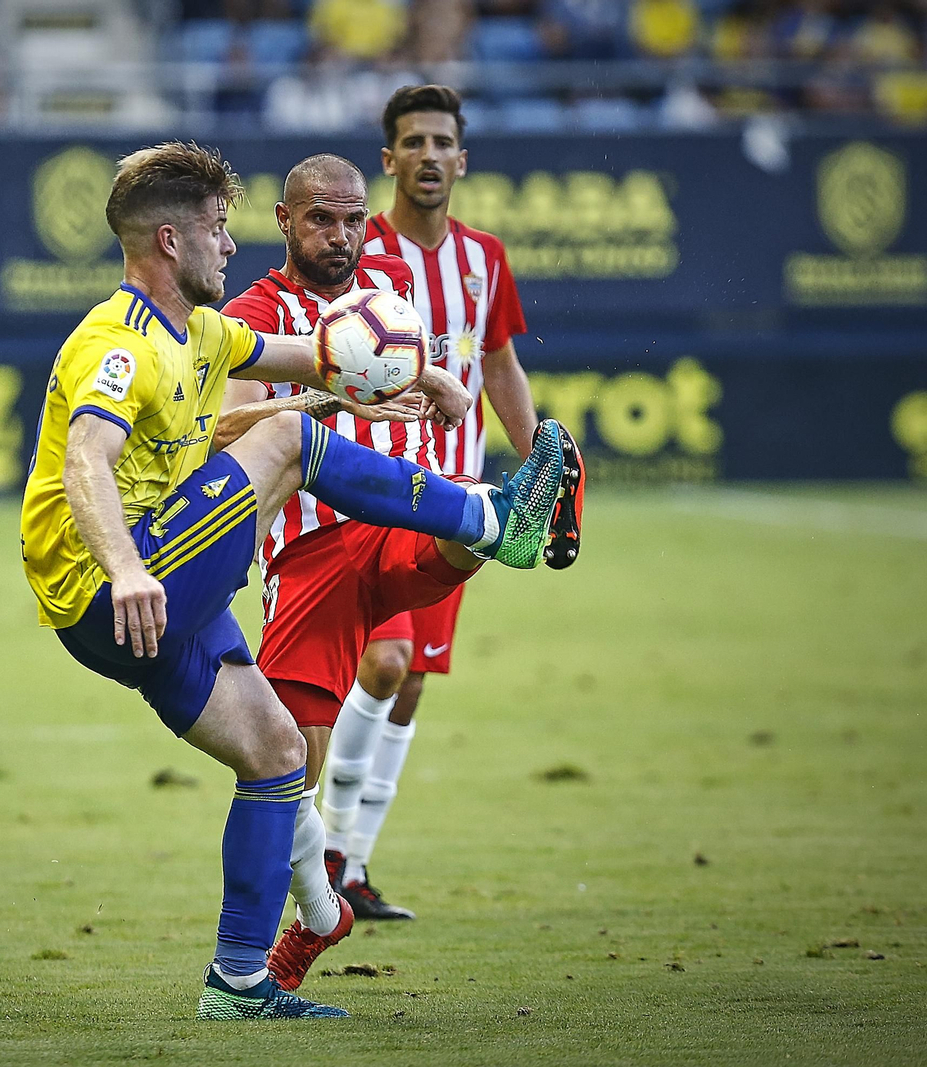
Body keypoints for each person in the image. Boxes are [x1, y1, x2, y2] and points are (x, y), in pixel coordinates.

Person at [20, 140, 572, 1019]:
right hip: (112, 585)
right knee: (287, 445)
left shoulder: (200, 331)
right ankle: (492, 520)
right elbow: (88, 458)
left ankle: (243, 978)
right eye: (214, 229)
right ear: (169, 241)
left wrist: (424, 373)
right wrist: (125, 569)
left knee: (276, 754)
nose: (229, 247)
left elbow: (310, 356)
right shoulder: (116, 343)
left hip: (162, 597)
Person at [315, 83, 584, 920]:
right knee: (384, 663)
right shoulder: (355, 247)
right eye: (413, 142)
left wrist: (540, 455)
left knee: (412, 681)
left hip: (459, 495)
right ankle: (321, 851)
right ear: (388, 160)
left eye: (443, 142)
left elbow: (496, 361)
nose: (429, 155)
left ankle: (354, 865)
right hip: (373, 487)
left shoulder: (485, 259)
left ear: (462, 161)